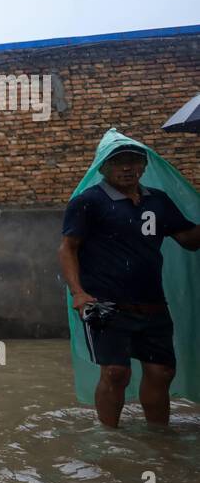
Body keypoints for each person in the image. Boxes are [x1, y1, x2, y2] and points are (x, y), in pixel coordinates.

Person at [59, 137, 200, 428]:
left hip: (152, 304)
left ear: (145, 165)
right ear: (103, 167)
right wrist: (79, 293)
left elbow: (189, 240)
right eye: (118, 162)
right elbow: (68, 248)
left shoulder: (157, 201)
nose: (127, 168)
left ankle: (159, 437)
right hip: (106, 305)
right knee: (115, 372)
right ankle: (110, 438)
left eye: (134, 161)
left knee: (161, 372)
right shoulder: (88, 202)